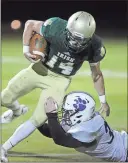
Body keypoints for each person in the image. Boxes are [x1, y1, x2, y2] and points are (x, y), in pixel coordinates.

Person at [1, 11, 110, 162]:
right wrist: (26, 49)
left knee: (39, 118)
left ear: (90, 37)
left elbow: (96, 74)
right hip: (39, 69)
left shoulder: (95, 46)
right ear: (67, 30)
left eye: (82, 40)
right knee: (4, 98)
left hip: (60, 80)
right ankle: (17, 110)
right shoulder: (55, 27)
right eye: (74, 38)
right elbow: (30, 24)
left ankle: (4, 148)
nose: (76, 43)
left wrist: (103, 100)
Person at [38, 92, 128, 162]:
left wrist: (52, 115)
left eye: (68, 112)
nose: (65, 114)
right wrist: (35, 121)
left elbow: (60, 139)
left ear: (80, 114)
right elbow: (52, 132)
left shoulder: (89, 130)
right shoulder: (86, 120)